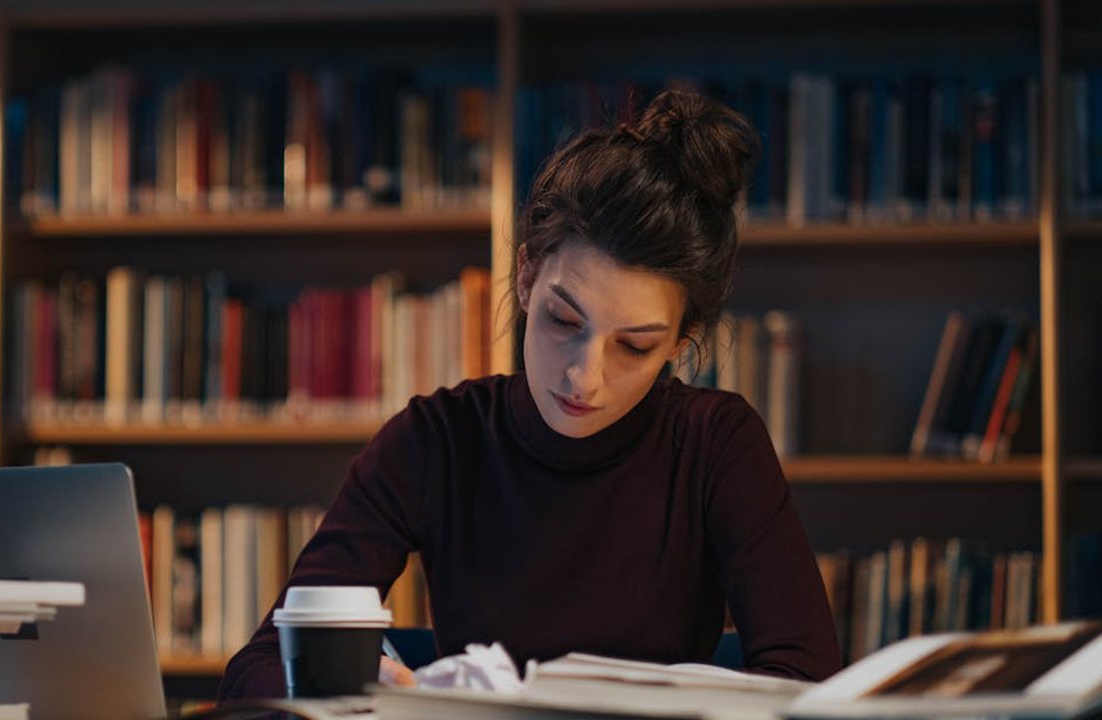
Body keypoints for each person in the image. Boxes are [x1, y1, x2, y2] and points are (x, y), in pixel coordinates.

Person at [218, 88, 842, 700]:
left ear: (683, 341)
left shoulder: (717, 445)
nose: (583, 376)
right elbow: (263, 664)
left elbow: (806, 680)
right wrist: (347, 691)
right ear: (524, 277)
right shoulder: (436, 439)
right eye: (563, 322)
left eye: (635, 346)